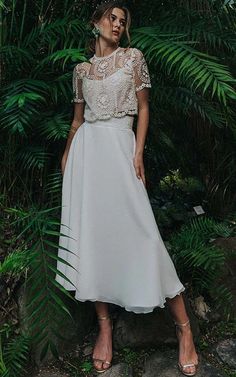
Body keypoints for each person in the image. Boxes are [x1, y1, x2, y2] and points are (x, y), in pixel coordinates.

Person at [55, 1, 199, 375]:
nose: (117, 24)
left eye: (123, 21)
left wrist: (138, 152)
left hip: (121, 150)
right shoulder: (80, 70)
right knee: (93, 239)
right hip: (86, 157)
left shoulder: (133, 58)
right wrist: (68, 154)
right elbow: (76, 120)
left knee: (144, 235)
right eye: (111, 18)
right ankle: (105, 328)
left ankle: (184, 329)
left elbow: (144, 107)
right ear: (96, 22)